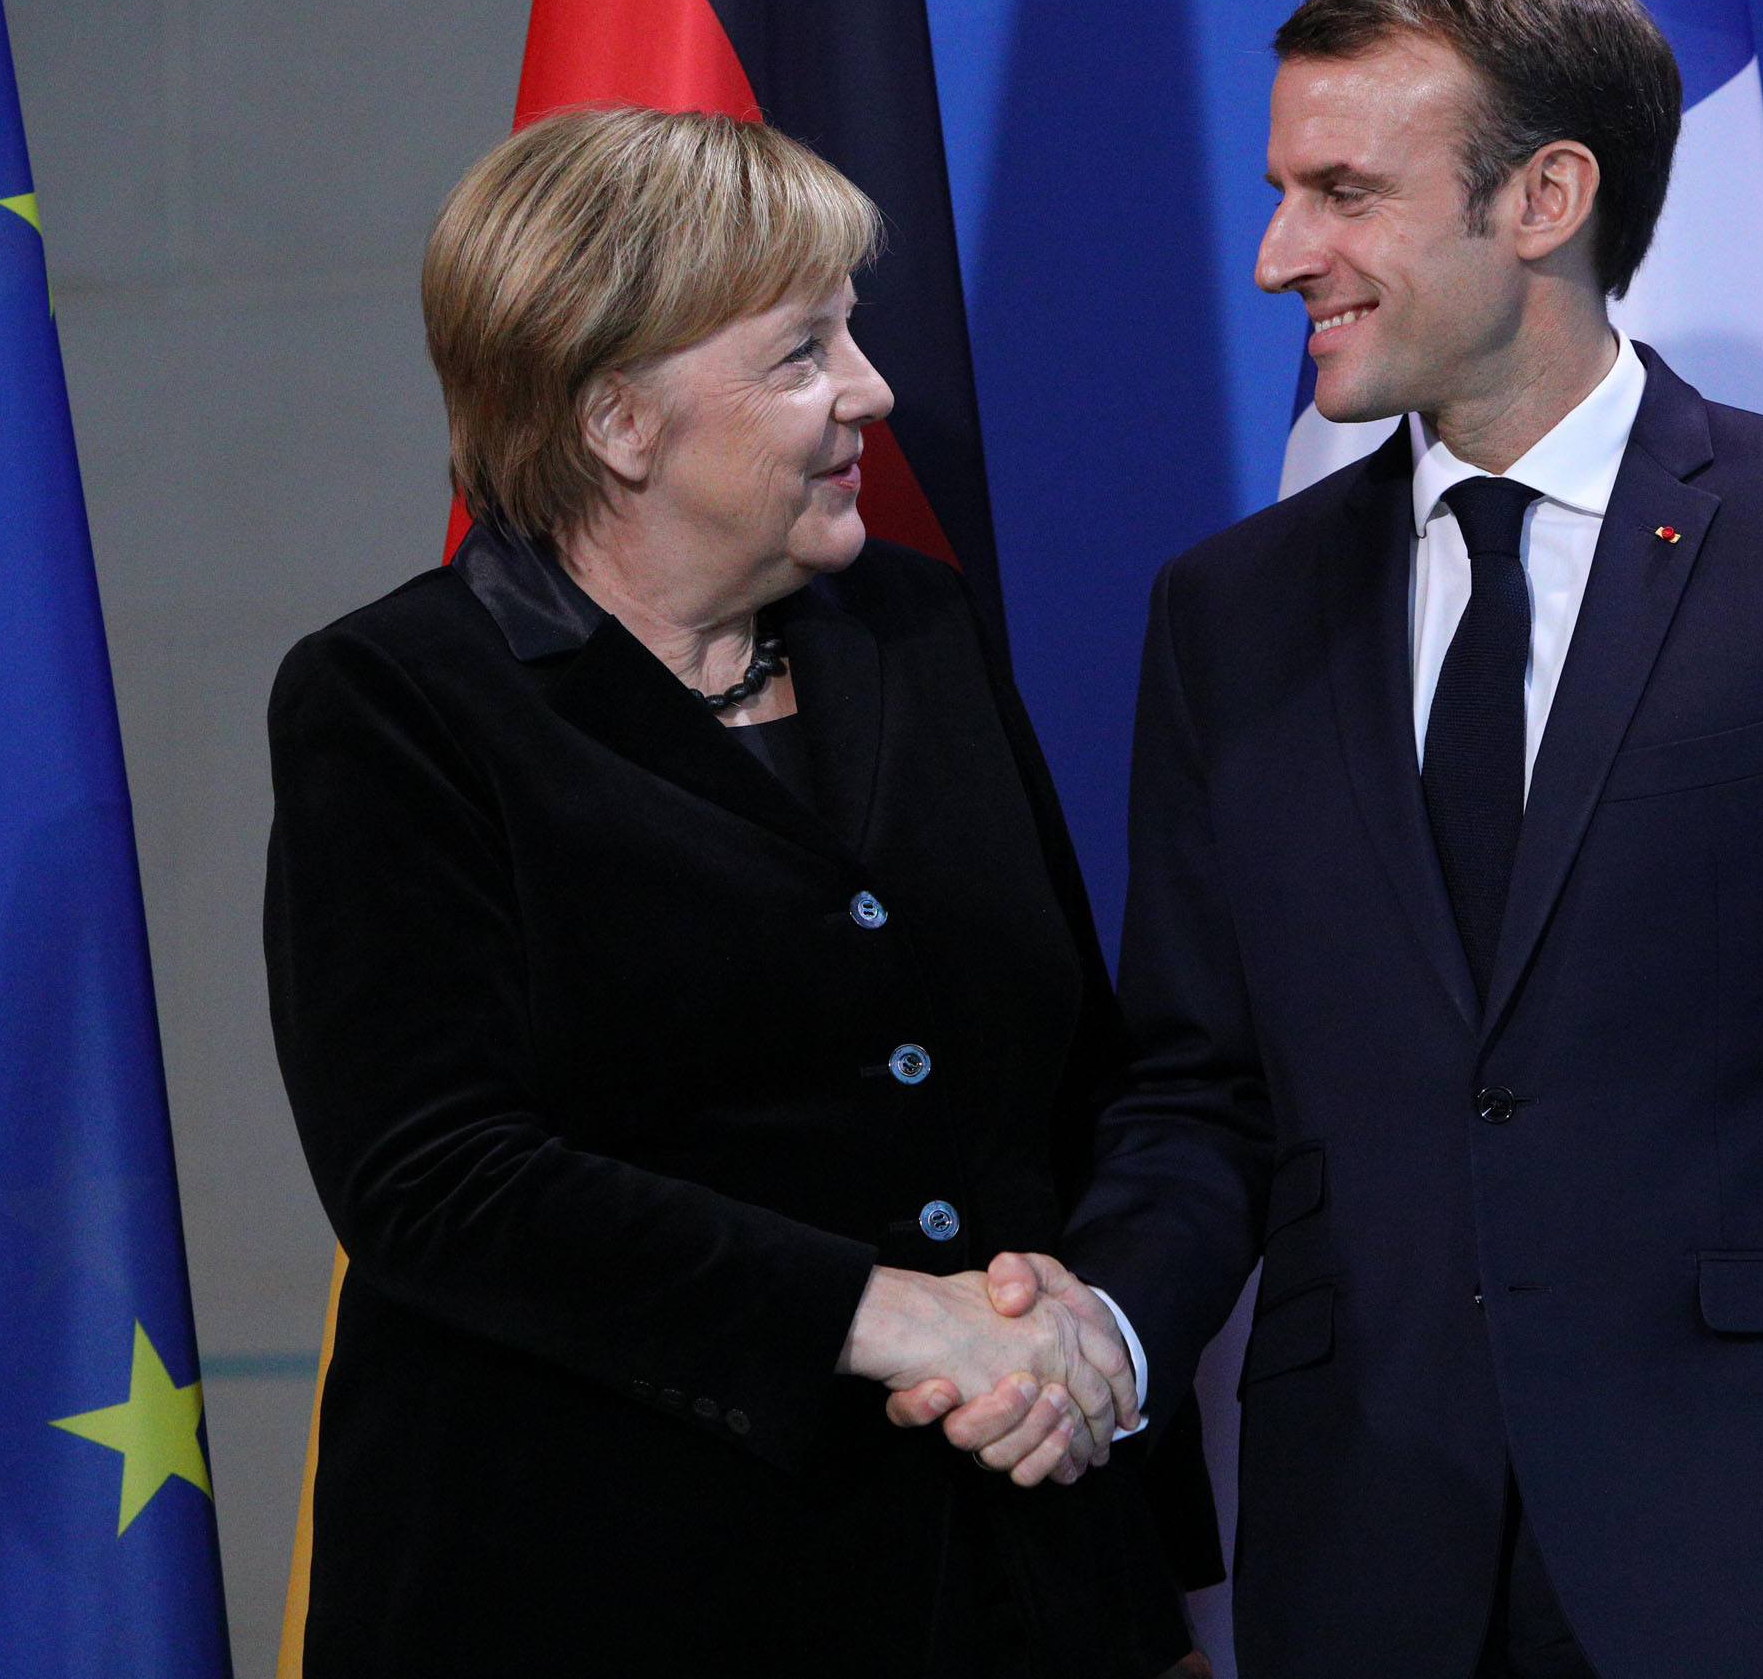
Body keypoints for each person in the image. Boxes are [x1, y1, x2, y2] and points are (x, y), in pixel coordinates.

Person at [947, 0, 1763, 1679]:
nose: (1274, 255)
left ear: (1543, 195)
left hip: (1754, 1560)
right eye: (1277, 192)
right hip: (1366, 1560)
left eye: (1340, 192)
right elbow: (1199, 1095)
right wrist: (1099, 1322)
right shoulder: (1224, 613)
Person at [263, 106, 1202, 1678]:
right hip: (595, 1591)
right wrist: (893, 1313)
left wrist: (1073, 1368)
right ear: (616, 418)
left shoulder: (916, 627)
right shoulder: (397, 696)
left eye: (853, 333)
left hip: (1008, 1579)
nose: (871, 392)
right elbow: (433, 1174)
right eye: (801, 352)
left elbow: (1065, 1081)